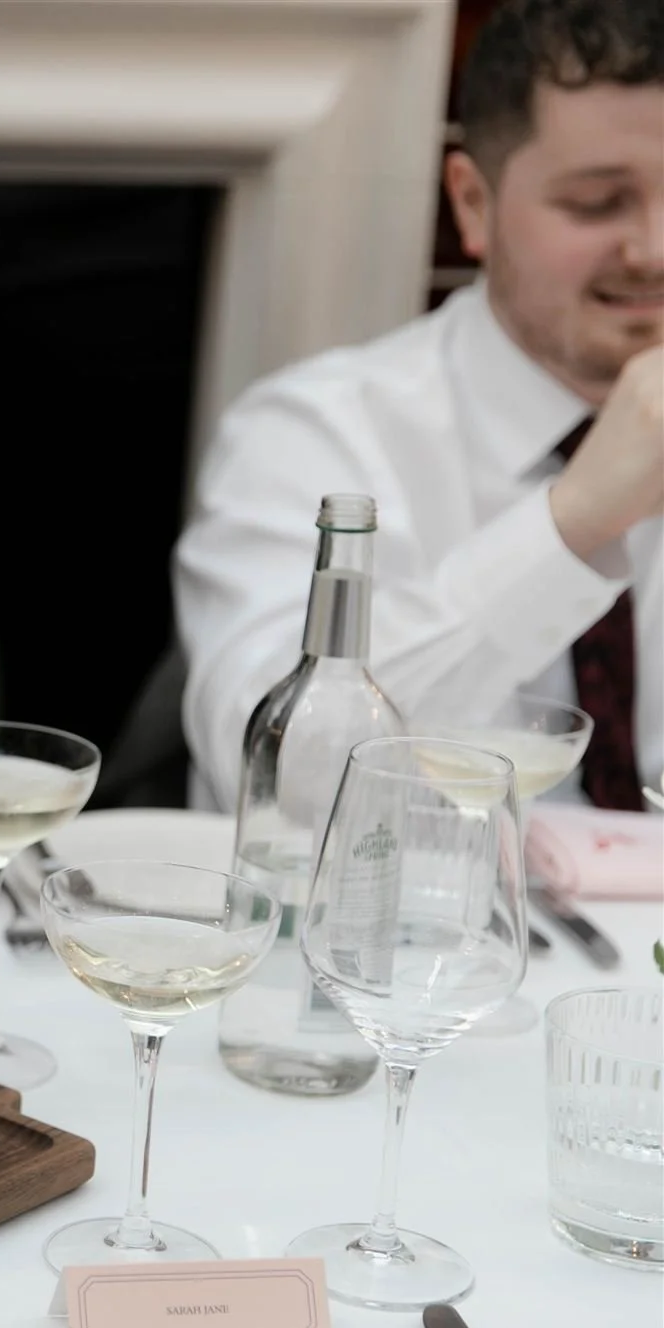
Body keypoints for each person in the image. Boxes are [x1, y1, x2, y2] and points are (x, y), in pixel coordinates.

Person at [174, 0, 662, 813]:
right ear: (472, 203)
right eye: (597, 203)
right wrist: (571, 525)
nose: (652, 248)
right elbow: (272, 779)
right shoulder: (313, 432)